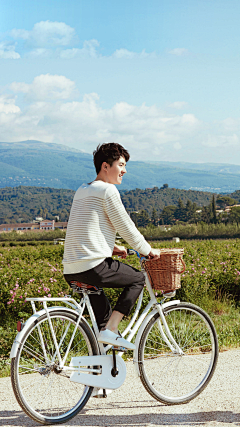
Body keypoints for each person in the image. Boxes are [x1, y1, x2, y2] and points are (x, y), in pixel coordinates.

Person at [63, 142, 160, 351]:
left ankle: (100, 372)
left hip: (71, 269)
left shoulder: (83, 190)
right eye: (121, 165)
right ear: (105, 166)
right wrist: (147, 250)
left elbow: (84, 226)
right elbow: (125, 226)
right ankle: (112, 329)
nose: (124, 170)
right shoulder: (108, 190)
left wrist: (112, 246)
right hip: (93, 266)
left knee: (102, 322)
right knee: (138, 279)